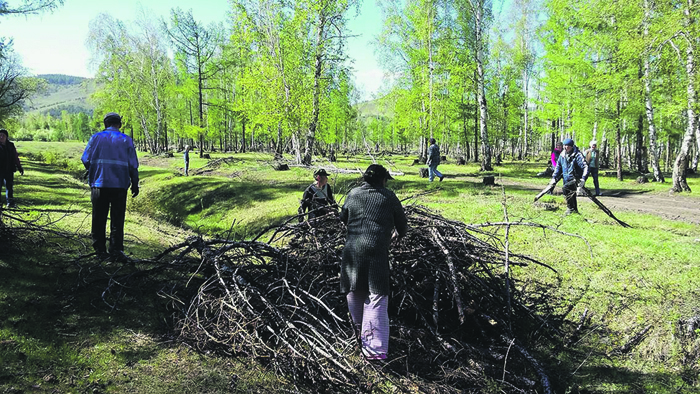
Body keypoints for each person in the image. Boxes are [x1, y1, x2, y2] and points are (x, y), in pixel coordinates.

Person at [339, 164, 408, 360]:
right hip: (376, 253)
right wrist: (394, 234)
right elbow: (402, 227)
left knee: (355, 293)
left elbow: (343, 217)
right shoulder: (388, 197)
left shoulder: (353, 194)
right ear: (382, 180)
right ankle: (375, 352)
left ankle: (358, 340)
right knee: (376, 299)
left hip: (351, 252)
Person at [81, 112, 140, 262]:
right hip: (120, 186)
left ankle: (100, 251)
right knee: (117, 220)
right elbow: (133, 165)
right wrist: (135, 183)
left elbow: (85, 158)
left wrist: (93, 169)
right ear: (119, 124)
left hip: (99, 185)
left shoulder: (95, 138)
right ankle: (116, 251)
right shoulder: (126, 140)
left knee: (98, 218)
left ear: (105, 124)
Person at [550, 138, 588, 215]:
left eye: (568, 146)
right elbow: (558, 167)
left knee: (566, 189)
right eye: (564, 145)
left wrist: (583, 179)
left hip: (575, 178)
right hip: (566, 177)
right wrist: (554, 177)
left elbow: (585, 167)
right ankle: (573, 210)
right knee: (569, 194)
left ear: (571, 146)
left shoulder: (577, 155)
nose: (566, 147)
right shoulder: (562, 155)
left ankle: (570, 209)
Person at [0, 128, 24, 208]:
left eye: (3, 135)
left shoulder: (11, 146)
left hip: (9, 169)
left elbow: (15, 157)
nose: (1, 137)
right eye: (0, 135)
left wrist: (19, 167)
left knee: (9, 187)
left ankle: (10, 203)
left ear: (6, 137)